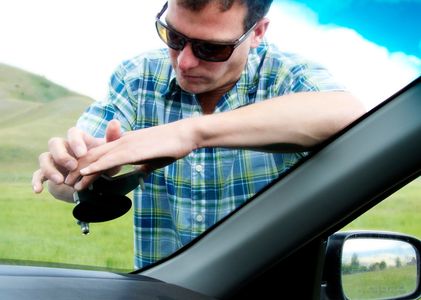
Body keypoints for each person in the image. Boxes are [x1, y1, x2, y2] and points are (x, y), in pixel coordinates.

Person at [32, 0, 365, 268]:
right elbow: (67, 181)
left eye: (212, 49)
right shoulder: (136, 76)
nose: (186, 62)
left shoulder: (287, 76)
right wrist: (73, 170)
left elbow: (346, 114)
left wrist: (191, 133)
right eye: (174, 37)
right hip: (166, 288)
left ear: (258, 31)